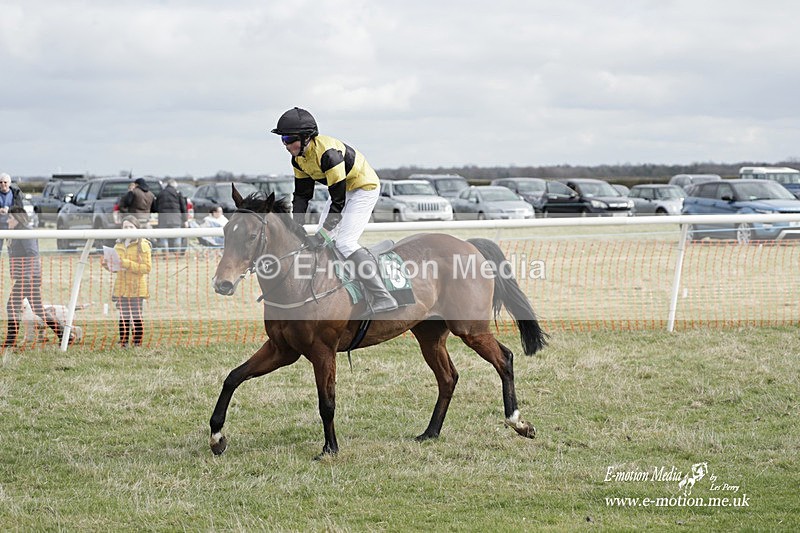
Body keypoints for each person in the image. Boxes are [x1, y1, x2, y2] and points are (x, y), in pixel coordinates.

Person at [271, 107, 397, 317]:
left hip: (363, 188)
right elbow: (302, 195)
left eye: (289, 139)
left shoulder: (329, 155)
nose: (286, 144)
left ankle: (383, 296)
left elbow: (337, 203)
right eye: (283, 139)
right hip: (343, 190)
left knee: (344, 242)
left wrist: (323, 233)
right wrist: (296, 226)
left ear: (306, 137)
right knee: (323, 243)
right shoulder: (298, 159)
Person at [3, 207, 68, 349]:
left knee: (12, 306)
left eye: (10, 218)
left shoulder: (26, 232)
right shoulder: (15, 232)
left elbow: (32, 254)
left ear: (18, 219)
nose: (8, 221)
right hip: (27, 276)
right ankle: (65, 334)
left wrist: (26, 277)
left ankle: (10, 342)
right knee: (38, 309)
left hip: (28, 277)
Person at [101, 215, 152, 347]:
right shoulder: (118, 245)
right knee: (123, 316)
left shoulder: (143, 245)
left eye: (131, 227)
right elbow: (116, 268)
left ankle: (137, 342)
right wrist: (108, 265)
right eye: (125, 227)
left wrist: (126, 263)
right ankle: (123, 342)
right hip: (121, 287)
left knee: (136, 316)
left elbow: (146, 268)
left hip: (136, 288)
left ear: (137, 228)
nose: (128, 229)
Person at [154, 179, 188, 252]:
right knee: (177, 236)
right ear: (174, 186)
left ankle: (165, 254)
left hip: (163, 218)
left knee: (163, 237)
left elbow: (155, 207)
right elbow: (183, 207)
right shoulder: (177, 193)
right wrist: (185, 219)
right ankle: (177, 254)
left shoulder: (161, 193)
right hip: (176, 218)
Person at [0, 172, 25, 256]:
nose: (3, 184)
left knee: (13, 250)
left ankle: (13, 265)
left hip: (12, 227)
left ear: (9, 183)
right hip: (0, 226)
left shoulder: (16, 194)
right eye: (1, 182)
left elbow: (20, 209)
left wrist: (9, 210)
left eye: (5, 182)